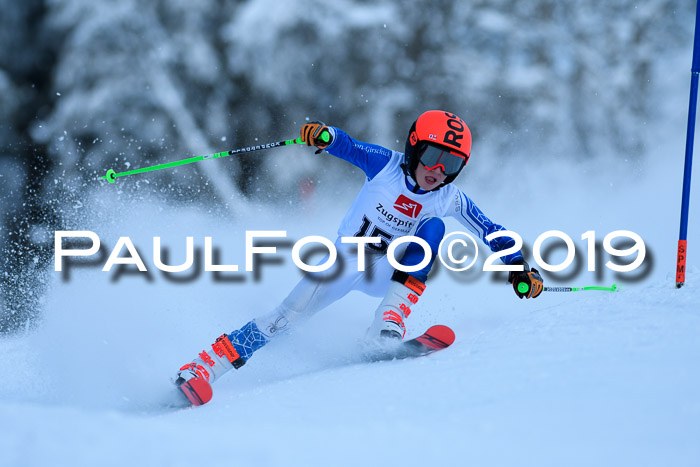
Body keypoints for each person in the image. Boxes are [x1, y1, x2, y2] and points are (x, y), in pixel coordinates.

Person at [174, 110, 544, 405]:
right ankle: (203, 368)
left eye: (451, 164)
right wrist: (324, 136)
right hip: (346, 263)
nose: (438, 170)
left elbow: (490, 230)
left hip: (388, 269)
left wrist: (518, 268)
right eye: (433, 156)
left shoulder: (447, 198)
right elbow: (348, 146)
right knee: (283, 318)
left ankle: (386, 326)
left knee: (434, 230)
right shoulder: (385, 165)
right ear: (414, 147)